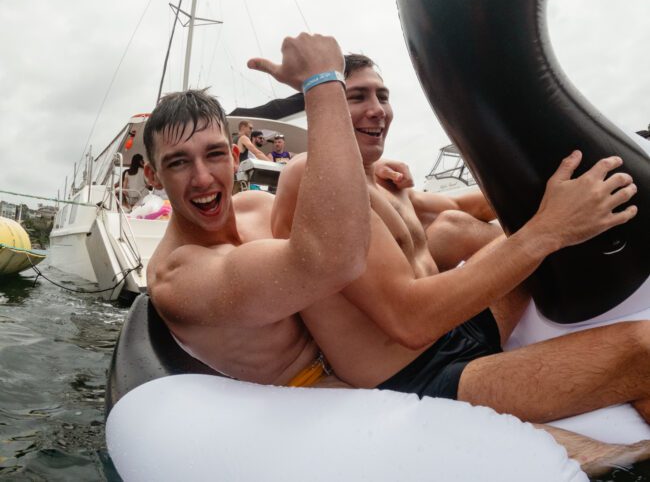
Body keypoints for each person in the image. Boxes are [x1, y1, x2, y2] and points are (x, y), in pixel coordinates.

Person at [272, 53, 650, 439]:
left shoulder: (383, 183)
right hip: (418, 377)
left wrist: (553, 185)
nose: (376, 110)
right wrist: (549, 229)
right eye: (357, 98)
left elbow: (466, 206)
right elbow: (409, 321)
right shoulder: (311, 176)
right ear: (326, 108)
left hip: (456, 331)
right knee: (644, 348)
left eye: (382, 96)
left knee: (496, 232)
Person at [143, 33, 370, 388]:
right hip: (316, 396)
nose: (202, 179)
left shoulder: (257, 206)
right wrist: (323, 82)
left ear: (235, 158)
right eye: (178, 163)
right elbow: (336, 259)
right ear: (153, 176)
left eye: (215, 154)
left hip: (365, 361)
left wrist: (376, 177)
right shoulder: (177, 277)